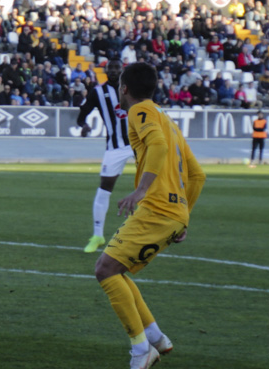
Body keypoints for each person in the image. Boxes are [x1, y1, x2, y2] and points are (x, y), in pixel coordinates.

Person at [94, 62, 205, 369]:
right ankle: (155, 338)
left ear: (124, 88)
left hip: (156, 208)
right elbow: (197, 176)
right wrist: (185, 215)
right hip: (174, 213)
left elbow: (155, 145)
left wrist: (142, 190)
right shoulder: (167, 120)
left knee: (105, 270)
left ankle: (140, 349)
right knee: (116, 269)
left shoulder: (139, 111)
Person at [76, 61, 134, 253]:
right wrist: (83, 125)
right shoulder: (97, 92)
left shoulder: (134, 88)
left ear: (122, 71)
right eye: (110, 69)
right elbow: (82, 114)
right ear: (106, 72)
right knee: (104, 188)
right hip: (115, 147)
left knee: (154, 182)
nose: (114, 72)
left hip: (139, 143)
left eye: (117, 69)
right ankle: (98, 235)